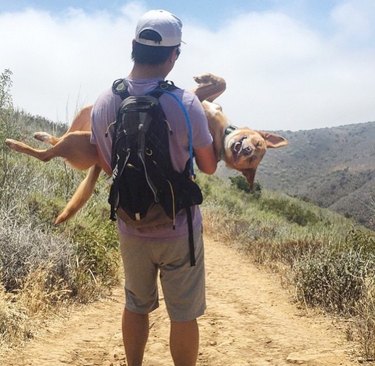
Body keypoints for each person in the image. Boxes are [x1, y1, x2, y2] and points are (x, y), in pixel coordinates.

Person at [90, 9, 217, 366]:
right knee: (183, 314)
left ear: (134, 46)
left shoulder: (104, 101)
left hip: (131, 224)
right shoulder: (185, 102)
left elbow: (105, 165)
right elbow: (207, 165)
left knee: (135, 304)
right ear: (173, 55)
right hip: (179, 229)